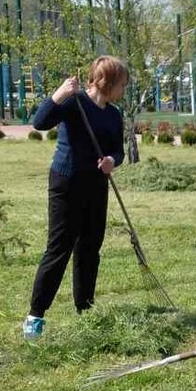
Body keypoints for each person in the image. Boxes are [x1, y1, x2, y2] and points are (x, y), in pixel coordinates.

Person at [22, 57, 129, 338]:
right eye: (121, 84)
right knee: (59, 248)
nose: (123, 90)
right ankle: (35, 316)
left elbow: (118, 150)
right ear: (107, 82)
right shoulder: (74, 102)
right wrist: (58, 94)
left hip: (96, 185)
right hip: (66, 183)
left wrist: (111, 161)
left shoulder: (113, 114)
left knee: (90, 248)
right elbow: (40, 122)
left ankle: (85, 309)